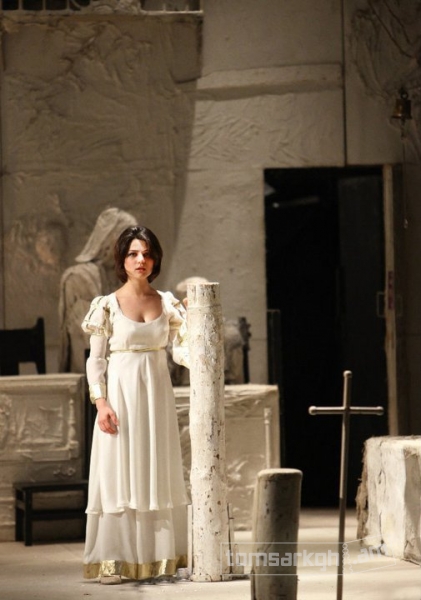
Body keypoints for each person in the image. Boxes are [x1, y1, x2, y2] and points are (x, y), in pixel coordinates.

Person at [81, 225, 189, 585]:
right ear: (122, 259)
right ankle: (116, 560)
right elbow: (96, 360)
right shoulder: (106, 305)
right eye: (133, 254)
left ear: (155, 259)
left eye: (146, 253)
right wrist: (101, 402)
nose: (140, 259)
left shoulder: (167, 303)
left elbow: (184, 351)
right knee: (118, 473)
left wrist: (197, 321)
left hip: (156, 397)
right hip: (120, 397)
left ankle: (158, 558)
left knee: (155, 469)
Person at [59, 207, 137, 373]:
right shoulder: (79, 278)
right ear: (109, 240)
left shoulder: (125, 278)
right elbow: (89, 335)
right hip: (94, 367)